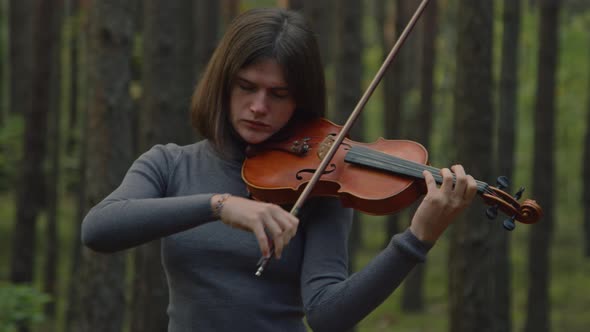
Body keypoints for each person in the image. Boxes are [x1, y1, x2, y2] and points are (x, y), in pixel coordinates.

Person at [81, 7, 477, 332]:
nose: (258, 106)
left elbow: (327, 315)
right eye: (246, 87)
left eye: (278, 94)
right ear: (222, 85)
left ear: (300, 101)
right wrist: (220, 205)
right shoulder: (169, 164)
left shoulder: (320, 183)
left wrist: (417, 239)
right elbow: (99, 229)